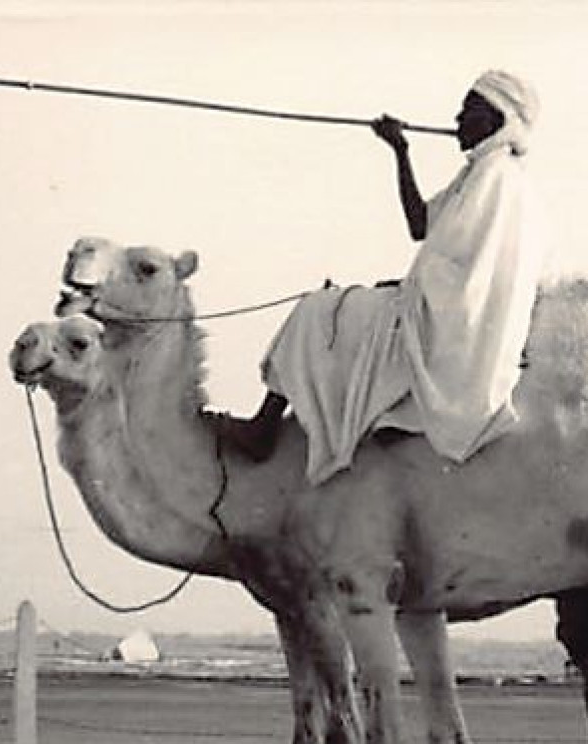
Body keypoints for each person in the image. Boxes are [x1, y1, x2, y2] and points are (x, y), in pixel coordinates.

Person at [219, 70, 548, 482]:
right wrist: (400, 151)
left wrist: (409, 291)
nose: (458, 119)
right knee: (346, 307)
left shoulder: (496, 180)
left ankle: (264, 427)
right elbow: (421, 227)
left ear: (498, 119)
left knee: (317, 310)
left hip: (449, 328)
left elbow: (465, 278)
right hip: (446, 314)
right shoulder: (482, 173)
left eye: (470, 111)